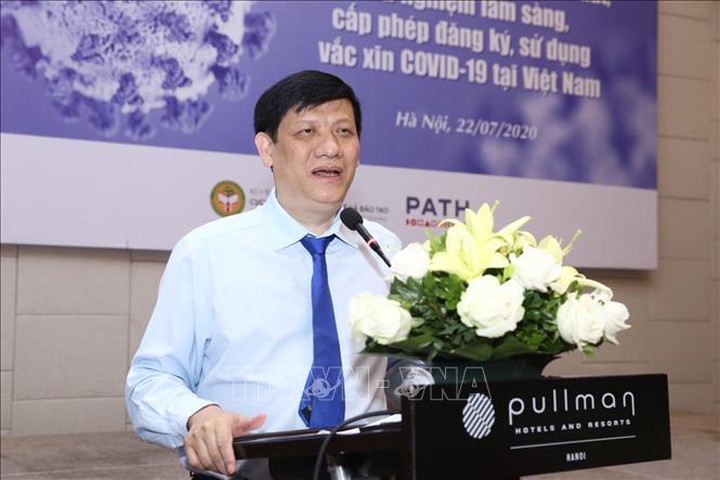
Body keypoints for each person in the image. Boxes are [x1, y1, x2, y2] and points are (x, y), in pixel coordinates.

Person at [125, 70, 401, 479]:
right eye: (307, 131)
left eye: (344, 131)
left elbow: (404, 366)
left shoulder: (383, 250)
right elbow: (149, 380)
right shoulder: (207, 252)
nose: (331, 147)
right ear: (267, 149)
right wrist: (198, 414)